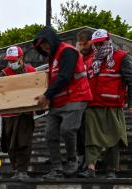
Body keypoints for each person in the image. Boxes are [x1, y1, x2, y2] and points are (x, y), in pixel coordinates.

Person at [77, 30, 132, 179]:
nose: (99, 46)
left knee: (114, 139)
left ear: (108, 41)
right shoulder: (91, 60)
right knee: (91, 138)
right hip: (93, 105)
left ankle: (112, 169)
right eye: (96, 44)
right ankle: (91, 168)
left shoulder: (122, 57)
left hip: (113, 105)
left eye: (102, 43)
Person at [33, 26, 93, 179]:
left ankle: (73, 161)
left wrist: (46, 95)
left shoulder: (68, 51)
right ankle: (56, 168)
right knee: (49, 133)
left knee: (67, 129)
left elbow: (65, 76)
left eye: (45, 42)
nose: (44, 46)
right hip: (58, 101)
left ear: (52, 39)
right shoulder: (52, 57)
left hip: (75, 97)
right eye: (41, 45)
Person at [0, 46, 37, 180]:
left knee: (24, 142)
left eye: (13, 60)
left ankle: (23, 170)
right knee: (10, 144)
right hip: (8, 115)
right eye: (9, 60)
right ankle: (16, 169)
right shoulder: (4, 73)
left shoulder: (31, 71)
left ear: (21, 58)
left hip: (25, 114)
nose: (11, 63)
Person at [75, 29, 94, 167]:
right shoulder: (78, 57)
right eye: (80, 44)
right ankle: (81, 157)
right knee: (79, 131)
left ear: (91, 42)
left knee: (91, 132)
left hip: (94, 100)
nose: (82, 47)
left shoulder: (97, 56)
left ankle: (91, 159)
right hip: (80, 100)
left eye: (84, 44)